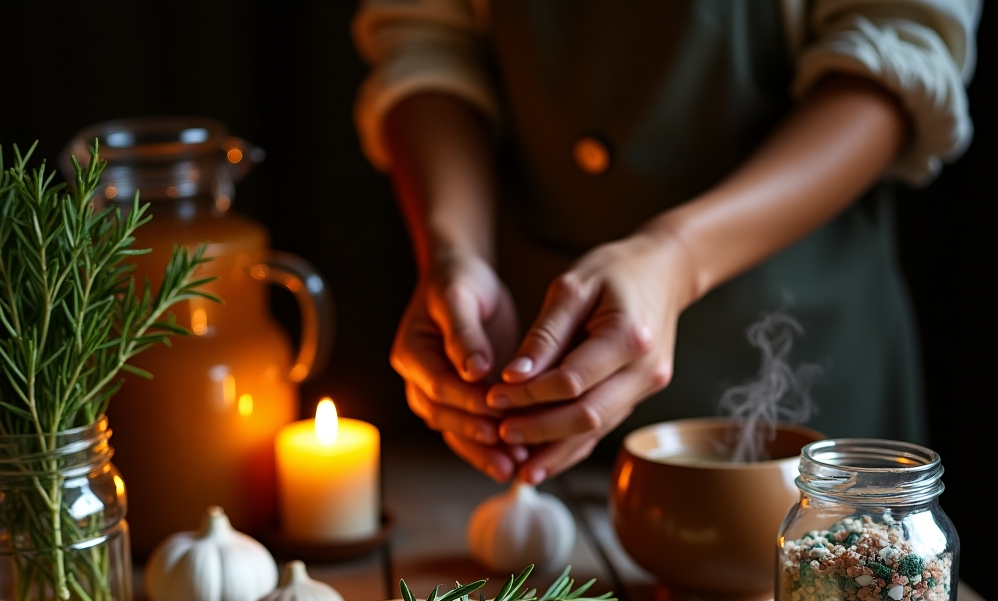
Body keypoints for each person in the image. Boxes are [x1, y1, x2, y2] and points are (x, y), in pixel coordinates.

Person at [352, 0, 979, 483]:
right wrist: (455, 250)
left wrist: (677, 254)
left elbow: (898, 55)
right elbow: (426, 40)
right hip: (529, 357)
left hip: (810, 328)